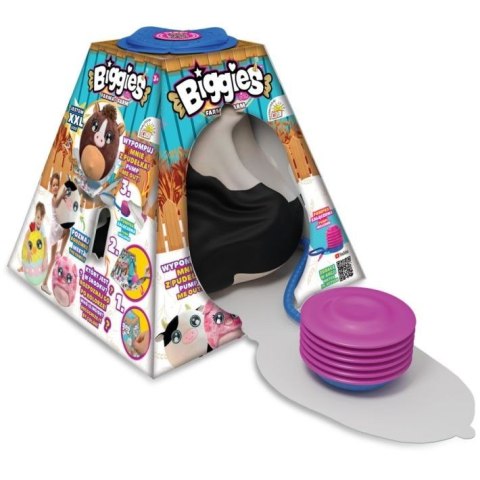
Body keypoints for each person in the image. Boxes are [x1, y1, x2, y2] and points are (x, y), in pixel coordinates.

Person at [41, 173, 70, 295]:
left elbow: (68, 205)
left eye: (57, 185)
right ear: (50, 187)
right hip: (55, 230)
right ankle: (61, 252)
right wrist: (64, 190)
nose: (55, 187)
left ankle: (44, 283)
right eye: (53, 185)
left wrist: (67, 196)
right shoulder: (54, 199)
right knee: (67, 230)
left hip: (56, 230)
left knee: (52, 259)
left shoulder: (59, 197)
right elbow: (57, 202)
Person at [17, 202, 47, 272]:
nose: (39, 221)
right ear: (35, 215)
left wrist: (44, 260)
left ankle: (34, 267)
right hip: (31, 242)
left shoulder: (42, 229)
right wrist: (28, 250)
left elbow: (45, 244)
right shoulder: (33, 225)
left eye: (41, 219)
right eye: (38, 217)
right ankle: (23, 266)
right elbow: (26, 237)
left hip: (38, 246)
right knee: (28, 253)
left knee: (37, 258)